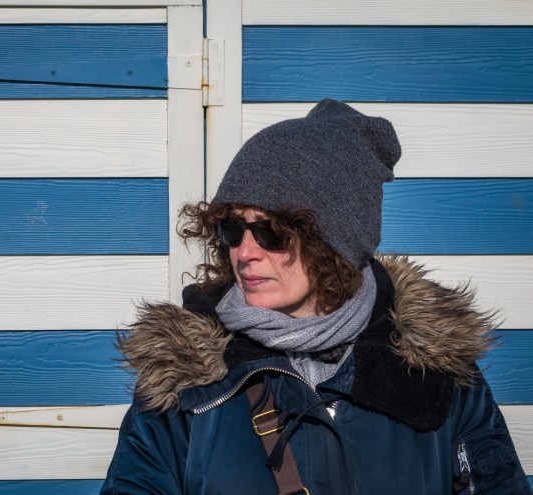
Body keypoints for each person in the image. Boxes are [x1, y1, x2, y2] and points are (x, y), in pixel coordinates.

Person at [101, 99, 530, 494]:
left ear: (335, 244)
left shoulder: (436, 372)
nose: (245, 253)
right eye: (232, 228)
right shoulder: (185, 379)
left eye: (271, 231)